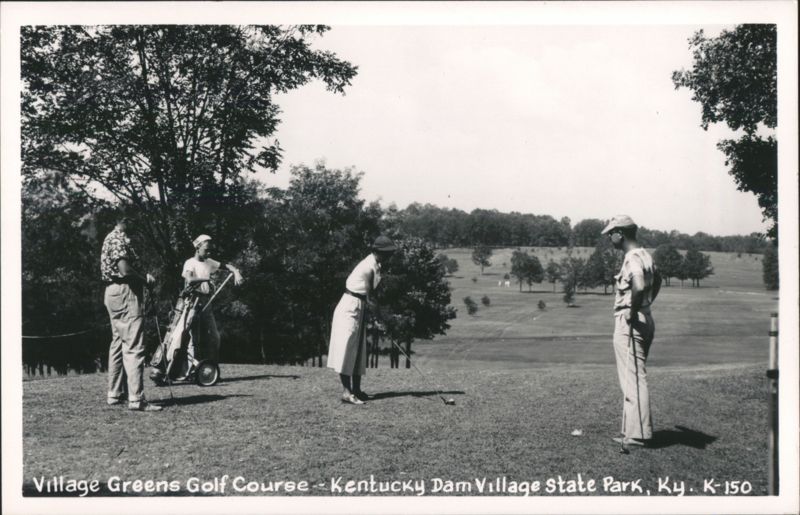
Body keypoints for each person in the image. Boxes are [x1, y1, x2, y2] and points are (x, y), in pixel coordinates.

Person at [602, 215, 661, 447]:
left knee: (633, 379)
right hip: (645, 318)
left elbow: (638, 285)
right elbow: (657, 281)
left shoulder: (631, 258)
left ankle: (637, 436)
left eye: (611, 232)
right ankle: (634, 431)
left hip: (631, 321)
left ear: (621, 233)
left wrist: (633, 310)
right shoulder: (645, 254)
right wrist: (646, 306)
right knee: (635, 376)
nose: (609, 237)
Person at [101, 213, 161, 411]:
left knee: (118, 342)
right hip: (125, 292)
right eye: (134, 220)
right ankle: (136, 399)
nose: (137, 225)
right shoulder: (118, 239)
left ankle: (115, 394)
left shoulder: (111, 237)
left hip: (112, 292)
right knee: (134, 345)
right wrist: (144, 278)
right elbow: (125, 270)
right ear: (125, 219)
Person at [328, 235, 397, 404]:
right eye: (387, 253)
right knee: (347, 349)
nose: (389, 257)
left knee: (359, 351)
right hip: (349, 307)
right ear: (377, 251)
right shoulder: (368, 267)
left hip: (359, 306)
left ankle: (357, 390)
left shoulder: (376, 264)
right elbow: (371, 297)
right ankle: (346, 392)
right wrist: (380, 320)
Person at [180, 234, 243, 376]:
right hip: (192, 302)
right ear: (197, 247)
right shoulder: (189, 262)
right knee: (193, 339)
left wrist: (236, 271)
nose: (209, 253)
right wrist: (206, 280)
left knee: (214, 337)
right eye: (206, 250)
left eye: (210, 251)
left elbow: (226, 266)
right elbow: (189, 280)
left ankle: (212, 370)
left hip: (206, 302)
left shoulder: (209, 261)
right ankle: (191, 372)